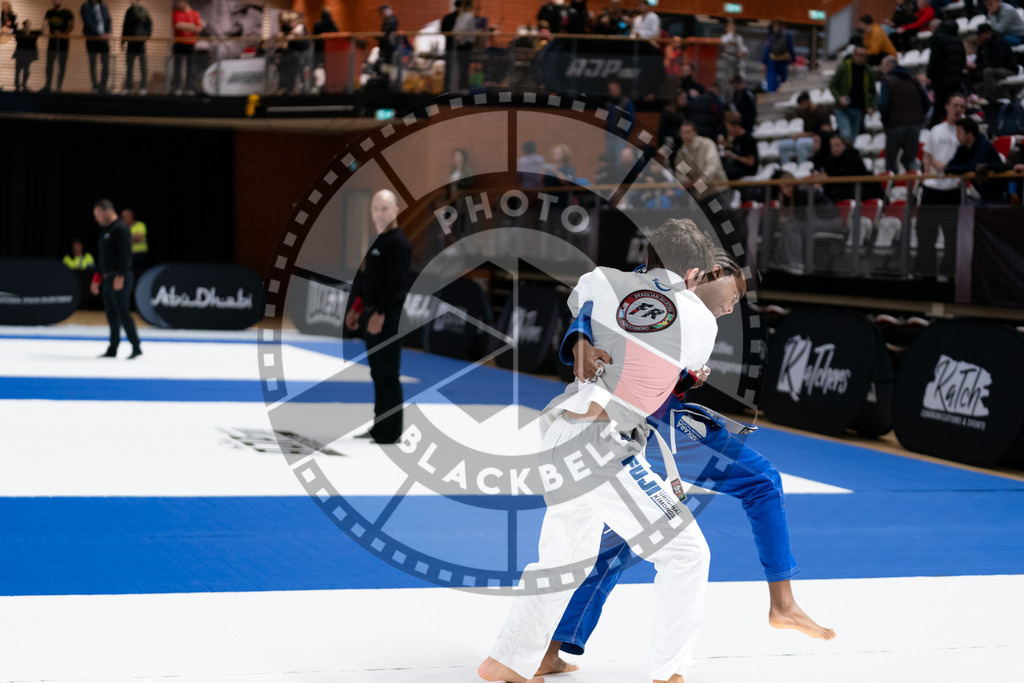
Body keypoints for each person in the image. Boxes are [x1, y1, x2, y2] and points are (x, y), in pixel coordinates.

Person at [537, 251, 835, 677]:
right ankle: (783, 604)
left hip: (620, 424)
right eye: (734, 295)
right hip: (650, 422)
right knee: (762, 482)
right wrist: (583, 342)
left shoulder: (643, 287)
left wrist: (681, 376)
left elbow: (594, 305)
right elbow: (600, 314)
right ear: (708, 271)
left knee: (623, 535)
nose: (731, 307)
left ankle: (551, 647)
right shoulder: (672, 298)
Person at [479, 218, 719, 683]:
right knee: (687, 553)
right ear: (693, 275)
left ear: (649, 256)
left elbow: (583, 307)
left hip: (561, 430)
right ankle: (671, 674)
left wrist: (591, 336)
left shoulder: (601, 279)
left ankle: (508, 659)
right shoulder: (699, 319)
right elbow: (681, 374)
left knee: (565, 556)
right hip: (604, 442)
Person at [343, 190, 412, 444]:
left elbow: (397, 285)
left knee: (388, 373)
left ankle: (392, 431)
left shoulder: (399, 244)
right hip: (370, 314)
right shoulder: (376, 241)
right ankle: (379, 424)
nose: (380, 214)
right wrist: (356, 308)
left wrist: (382, 313)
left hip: (388, 317)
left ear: (395, 211)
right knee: (377, 372)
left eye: (384, 209)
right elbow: (367, 280)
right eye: (375, 209)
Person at [918, 93, 967, 278]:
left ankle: (950, 275)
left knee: (952, 237)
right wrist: (926, 178)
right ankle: (926, 274)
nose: (958, 109)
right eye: (955, 105)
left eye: (962, 106)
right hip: (932, 189)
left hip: (952, 190)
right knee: (926, 235)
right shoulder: (936, 130)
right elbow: (927, 156)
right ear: (947, 106)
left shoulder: (966, 132)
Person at [90, 199, 142, 359]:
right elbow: (103, 258)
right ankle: (113, 348)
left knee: (123, 312)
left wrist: (120, 275)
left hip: (120, 277)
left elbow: (126, 255)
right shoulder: (105, 231)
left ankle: (136, 347)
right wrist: (97, 279)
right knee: (112, 315)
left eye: (98, 214)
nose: (96, 219)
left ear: (107, 211)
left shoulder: (121, 229)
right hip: (107, 277)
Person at [879, 55, 929, 173]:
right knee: (910, 159)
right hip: (914, 125)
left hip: (894, 125)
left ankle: (892, 184)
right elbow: (926, 102)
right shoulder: (913, 80)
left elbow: (884, 104)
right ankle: (916, 181)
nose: (882, 70)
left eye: (882, 66)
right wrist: (918, 118)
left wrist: (885, 122)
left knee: (891, 163)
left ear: (889, 66)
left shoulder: (887, 80)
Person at [946, 116, 1006, 204]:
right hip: (983, 194)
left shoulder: (984, 145)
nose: (957, 136)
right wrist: (952, 168)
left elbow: (974, 167)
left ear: (969, 134)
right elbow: (951, 165)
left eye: (959, 132)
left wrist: (954, 169)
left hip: (997, 195)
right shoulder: (963, 148)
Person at [829, 41, 877, 141]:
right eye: (859, 55)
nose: (861, 58)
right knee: (846, 135)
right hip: (843, 108)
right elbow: (832, 86)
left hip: (858, 109)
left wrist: (871, 106)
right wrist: (839, 98)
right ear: (853, 55)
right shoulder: (844, 67)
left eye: (864, 56)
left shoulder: (868, 71)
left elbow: (873, 92)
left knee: (853, 138)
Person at [926, 19, 967, 127]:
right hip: (956, 80)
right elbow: (963, 61)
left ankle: (935, 130)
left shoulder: (939, 38)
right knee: (954, 108)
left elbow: (935, 61)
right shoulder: (958, 40)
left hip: (942, 81)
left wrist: (930, 76)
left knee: (940, 108)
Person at [820, 133, 882, 203]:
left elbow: (850, 178)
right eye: (832, 146)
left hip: (862, 187)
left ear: (845, 145)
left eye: (837, 145)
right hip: (848, 188)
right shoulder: (831, 160)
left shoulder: (851, 157)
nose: (834, 148)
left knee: (835, 192)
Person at [779, 91, 833, 164]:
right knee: (783, 145)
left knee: (801, 144)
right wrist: (801, 135)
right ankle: (786, 167)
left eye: (802, 104)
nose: (801, 107)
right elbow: (807, 131)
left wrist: (805, 135)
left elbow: (826, 131)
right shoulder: (805, 113)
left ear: (808, 101)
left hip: (820, 140)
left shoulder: (822, 111)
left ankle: (802, 167)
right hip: (808, 138)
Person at [676, 119, 728, 192]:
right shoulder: (682, 152)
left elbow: (713, 166)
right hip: (699, 191)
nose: (685, 135)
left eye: (688, 132)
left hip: (717, 188)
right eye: (683, 132)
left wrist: (702, 180)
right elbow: (680, 172)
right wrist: (686, 180)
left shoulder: (707, 144)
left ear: (695, 132)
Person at [969, 23, 1016, 102]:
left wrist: (977, 66)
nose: (979, 37)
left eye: (980, 34)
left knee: (988, 71)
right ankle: (975, 97)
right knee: (973, 72)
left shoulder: (999, 42)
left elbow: (997, 62)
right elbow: (979, 61)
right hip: (992, 68)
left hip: (1008, 69)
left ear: (988, 33)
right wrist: (974, 66)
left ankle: (991, 99)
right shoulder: (983, 45)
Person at [172, 0, 202, 95]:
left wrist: (184, 25)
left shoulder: (195, 13)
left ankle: (189, 87)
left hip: (190, 43)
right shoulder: (176, 13)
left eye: (180, 1)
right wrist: (191, 26)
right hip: (179, 43)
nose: (178, 3)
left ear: (185, 2)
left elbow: (198, 28)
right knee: (177, 67)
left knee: (190, 67)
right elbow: (177, 25)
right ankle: (177, 87)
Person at [42, 0, 74, 92]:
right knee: (49, 65)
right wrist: (45, 32)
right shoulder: (49, 12)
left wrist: (63, 34)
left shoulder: (67, 12)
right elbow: (44, 24)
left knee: (62, 65)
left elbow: (71, 26)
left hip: (63, 43)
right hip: (52, 42)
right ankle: (48, 85)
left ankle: (59, 86)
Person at [121, 0, 152, 94]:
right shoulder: (142, 11)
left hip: (136, 43)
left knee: (138, 67)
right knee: (133, 67)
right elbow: (149, 25)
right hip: (136, 43)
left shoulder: (133, 11)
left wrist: (122, 41)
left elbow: (125, 27)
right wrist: (147, 36)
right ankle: (135, 87)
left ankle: (138, 87)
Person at [81, 0, 112, 94]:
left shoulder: (103, 7)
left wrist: (108, 32)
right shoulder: (86, 6)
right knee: (93, 63)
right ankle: (95, 86)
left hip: (103, 40)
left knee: (106, 62)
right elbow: (88, 21)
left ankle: (103, 86)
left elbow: (108, 20)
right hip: (92, 39)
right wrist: (99, 34)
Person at [604, 78, 635, 164]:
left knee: (619, 161)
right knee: (609, 161)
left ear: (619, 89)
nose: (612, 91)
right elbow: (607, 120)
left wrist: (623, 134)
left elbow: (631, 120)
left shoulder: (626, 103)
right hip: (609, 137)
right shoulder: (609, 103)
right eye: (610, 89)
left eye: (614, 89)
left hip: (620, 138)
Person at [722, 111, 759, 180]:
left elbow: (751, 162)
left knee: (724, 172)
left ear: (735, 126)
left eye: (728, 129)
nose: (728, 131)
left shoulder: (748, 139)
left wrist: (734, 156)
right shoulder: (735, 139)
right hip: (736, 168)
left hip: (747, 170)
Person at [761, 18, 794, 93]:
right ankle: (780, 96)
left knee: (772, 83)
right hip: (783, 60)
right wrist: (793, 61)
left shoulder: (772, 35)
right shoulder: (787, 35)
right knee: (782, 83)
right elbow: (791, 49)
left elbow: (767, 50)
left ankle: (771, 95)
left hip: (773, 61)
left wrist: (764, 63)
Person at [717, 18, 748, 92]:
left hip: (738, 62)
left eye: (733, 27)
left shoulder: (739, 37)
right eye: (730, 27)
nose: (732, 29)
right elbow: (724, 42)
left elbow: (743, 48)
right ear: (726, 28)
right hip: (728, 62)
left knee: (740, 79)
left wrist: (742, 52)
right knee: (729, 81)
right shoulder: (724, 37)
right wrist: (730, 34)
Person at [13, 20, 41, 92]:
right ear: (24, 26)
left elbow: (42, 32)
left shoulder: (33, 34)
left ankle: (24, 84)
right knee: (18, 70)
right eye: (26, 25)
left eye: (29, 25)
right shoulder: (20, 33)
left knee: (26, 70)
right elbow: (12, 31)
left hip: (28, 55)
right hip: (20, 54)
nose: (28, 26)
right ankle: (17, 85)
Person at [121, 208, 148, 273]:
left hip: (140, 255)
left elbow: (139, 237)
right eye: (122, 217)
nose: (123, 219)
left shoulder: (140, 225)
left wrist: (128, 238)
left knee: (140, 273)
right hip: (128, 256)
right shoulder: (123, 228)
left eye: (125, 216)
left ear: (131, 216)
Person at [377, 4, 399, 75]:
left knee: (389, 62)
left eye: (383, 12)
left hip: (389, 45)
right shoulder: (390, 19)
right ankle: (387, 77)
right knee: (387, 62)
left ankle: (387, 77)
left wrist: (380, 37)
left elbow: (387, 31)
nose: (382, 14)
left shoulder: (391, 19)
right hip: (388, 44)